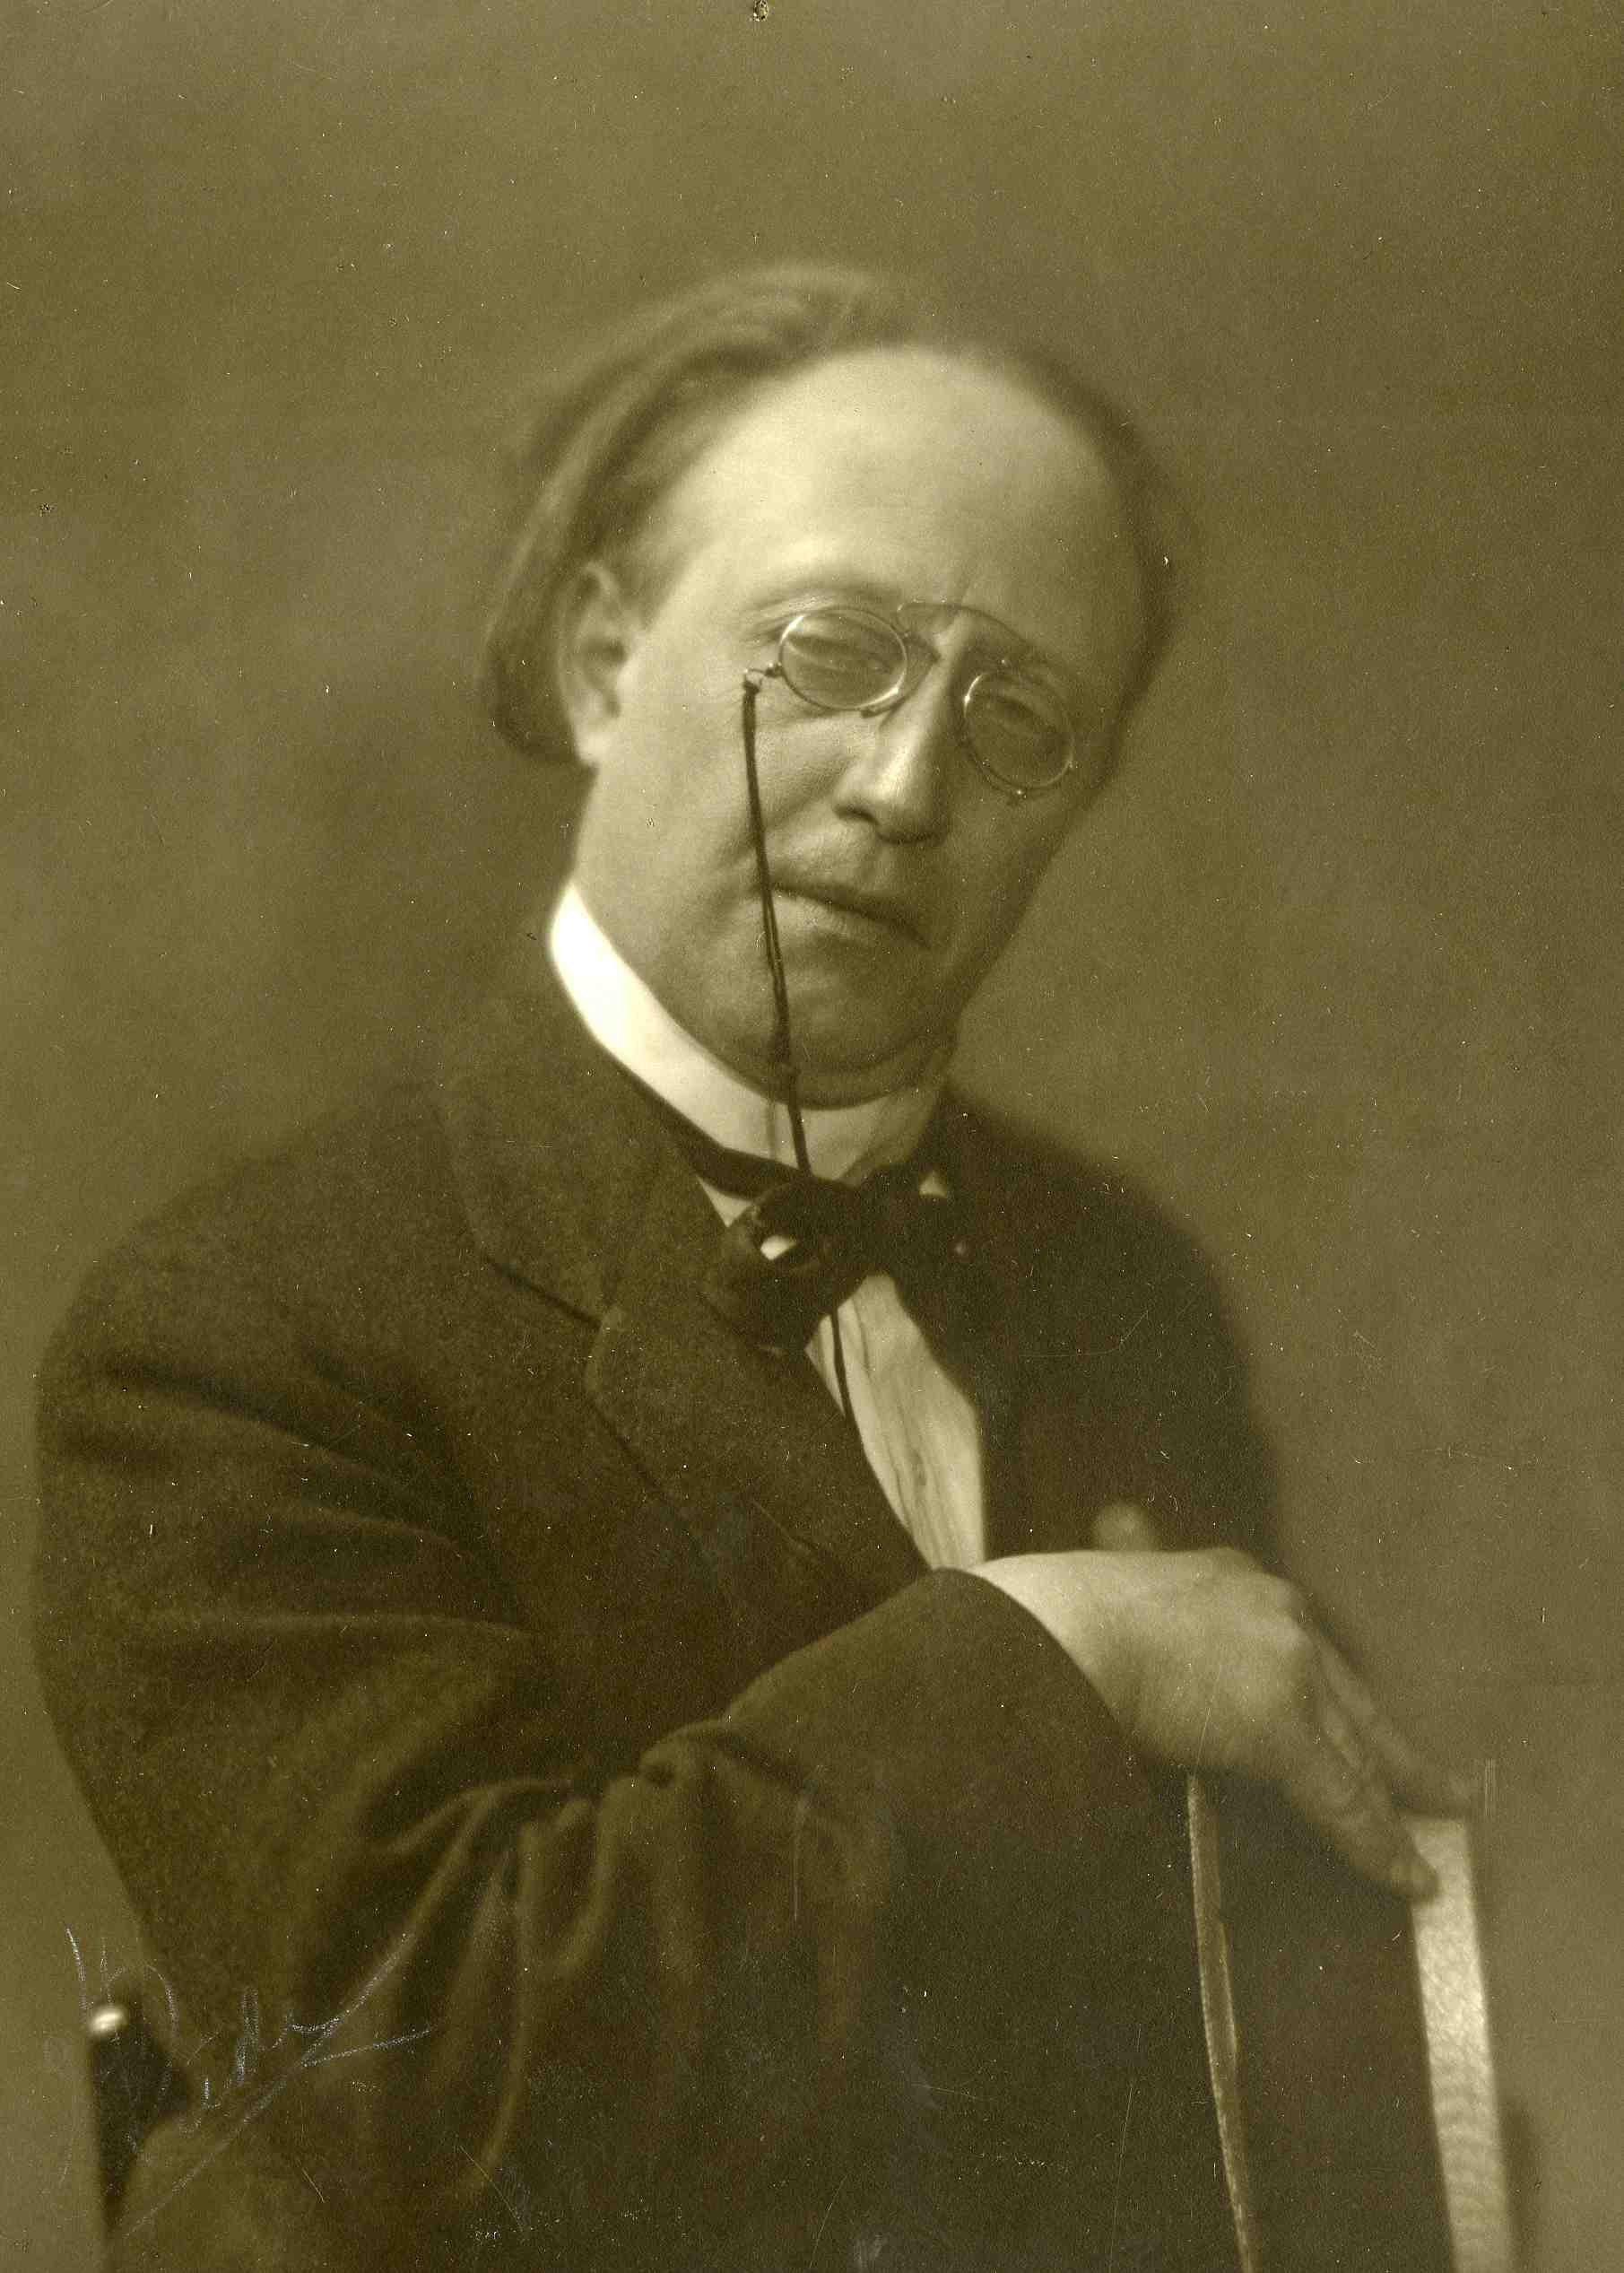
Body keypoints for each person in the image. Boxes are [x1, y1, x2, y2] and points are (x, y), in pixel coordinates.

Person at [34, 266, 1469, 2272]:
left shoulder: (1117, 1284)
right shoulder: (234, 1333)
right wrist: (1047, 1657)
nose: (904, 788)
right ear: (605, 663)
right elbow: (433, 2096)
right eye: (831, 652)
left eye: (1017, 718)